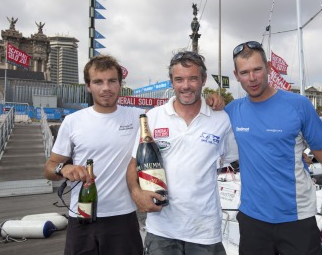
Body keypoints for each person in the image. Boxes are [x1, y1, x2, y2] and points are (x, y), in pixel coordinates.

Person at [44, 54, 224, 255]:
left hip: (123, 217)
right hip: (82, 215)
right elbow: (50, 168)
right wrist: (64, 168)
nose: (106, 88)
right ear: (88, 86)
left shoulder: (141, 117)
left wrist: (212, 100)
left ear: (120, 84)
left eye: (112, 81)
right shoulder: (72, 121)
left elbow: (183, 105)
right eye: (98, 82)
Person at [225, 41, 322, 255]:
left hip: (297, 218)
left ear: (268, 67)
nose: (252, 78)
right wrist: (212, 101)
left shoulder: (298, 105)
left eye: (257, 69)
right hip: (252, 220)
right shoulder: (231, 111)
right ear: (236, 74)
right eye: (245, 72)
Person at [127, 50, 238, 255]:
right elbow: (134, 164)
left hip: (205, 231)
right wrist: (136, 193)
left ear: (203, 80)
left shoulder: (221, 119)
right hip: (161, 229)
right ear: (171, 81)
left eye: (192, 79)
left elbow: (230, 159)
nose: (185, 86)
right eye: (179, 79)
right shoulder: (153, 117)